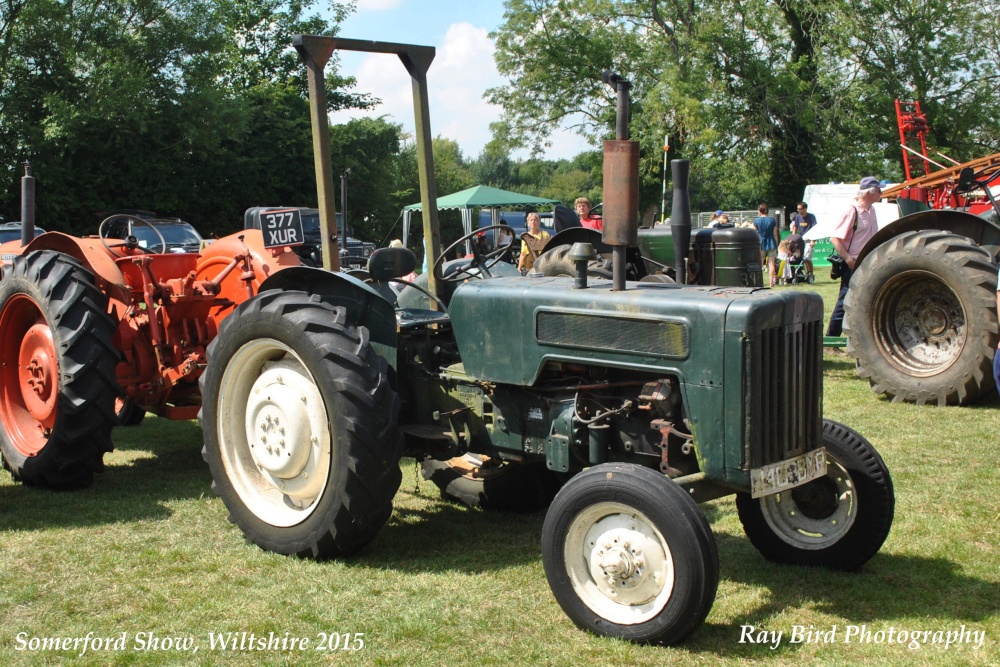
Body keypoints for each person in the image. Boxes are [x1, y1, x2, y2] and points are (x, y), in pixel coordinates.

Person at [826, 176, 882, 337]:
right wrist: (849, 260)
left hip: (867, 263)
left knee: (863, 300)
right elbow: (835, 238)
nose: (881, 193)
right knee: (845, 301)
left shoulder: (872, 211)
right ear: (869, 192)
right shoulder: (852, 210)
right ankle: (831, 338)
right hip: (852, 264)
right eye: (879, 190)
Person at [753, 203, 780, 286]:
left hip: (760, 243)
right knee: (771, 264)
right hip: (771, 242)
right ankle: (771, 282)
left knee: (759, 264)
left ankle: (759, 281)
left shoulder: (756, 221)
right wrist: (776, 244)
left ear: (759, 211)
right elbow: (775, 234)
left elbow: (754, 233)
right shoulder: (772, 220)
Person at [792, 202, 818, 277]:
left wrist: (813, 240)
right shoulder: (797, 217)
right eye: (797, 209)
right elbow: (795, 228)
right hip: (801, 240)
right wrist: (793, 238)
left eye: (800, 209)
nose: (798, 210)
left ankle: (811, 274)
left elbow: (814, 229)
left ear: (805, 209)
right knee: (801, 258)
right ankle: (807, 274)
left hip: (809, 240)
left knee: (807, 258)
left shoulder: (811, 217)